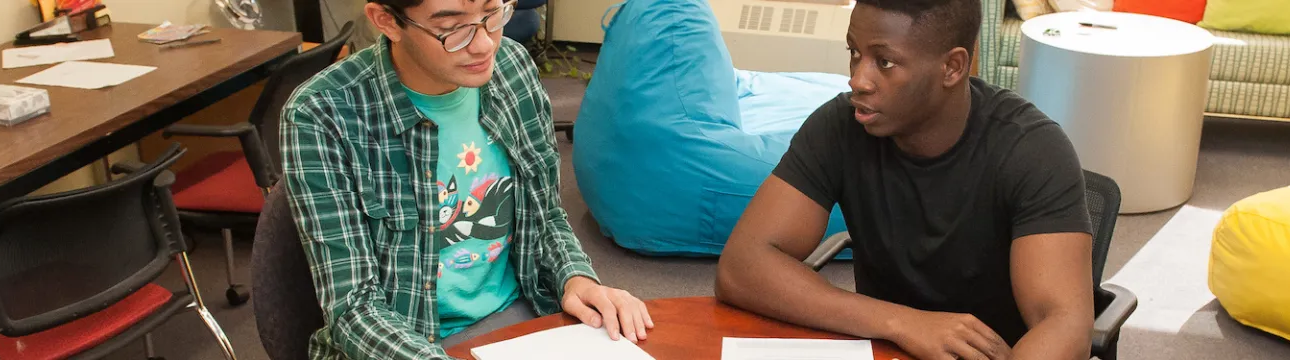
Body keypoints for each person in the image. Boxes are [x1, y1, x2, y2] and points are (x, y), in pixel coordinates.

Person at [714, 0, 1095, 359]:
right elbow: (742, 266)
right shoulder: (840, 126)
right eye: (854, 53)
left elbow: (1063, 325)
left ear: (952, 67)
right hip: (884, 346)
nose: (858, 80)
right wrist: (902, 322)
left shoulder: (1032, 149)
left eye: (884, 62)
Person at [279, 0, 652, 358]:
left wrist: (576, 279)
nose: (484, 44)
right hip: (405, 341)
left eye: (493, 13)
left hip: (521, 313)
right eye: (452, 28)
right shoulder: (322, 113)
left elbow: (545, 215)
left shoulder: (511, 66)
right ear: (387, 21)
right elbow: (354, 310)